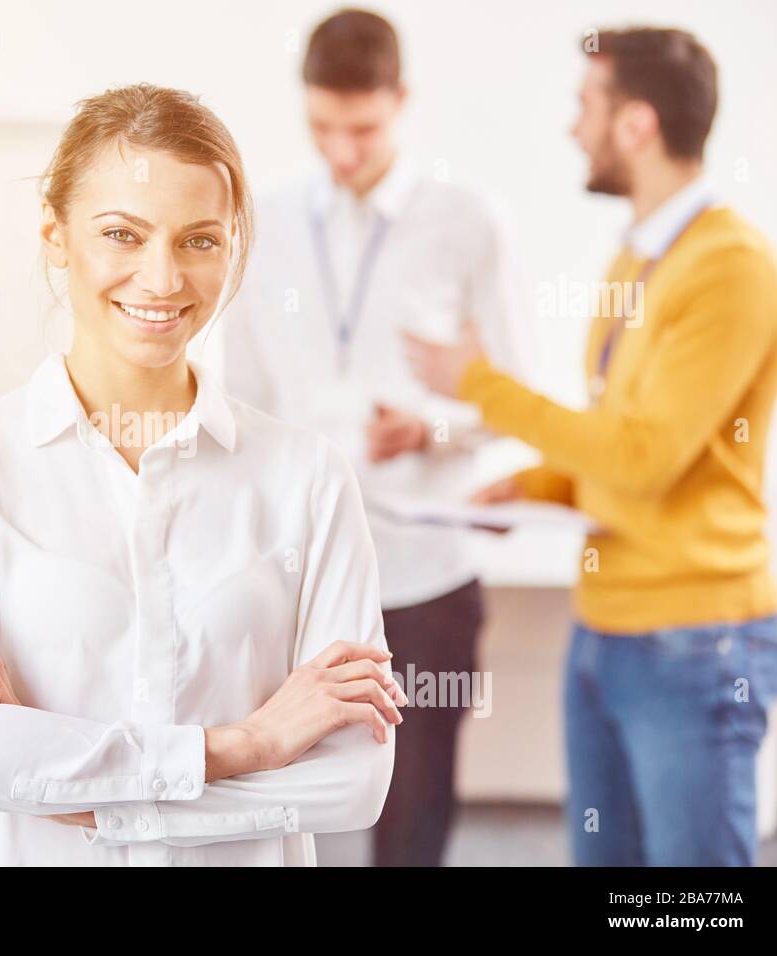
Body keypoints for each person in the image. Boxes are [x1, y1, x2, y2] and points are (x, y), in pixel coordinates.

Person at [0, 82, 405, 867]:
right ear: (56, 237)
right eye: (123, 235)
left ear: (233, 245)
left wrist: (68, 783)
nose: (162, 279)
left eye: (199, 240)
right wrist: (248, 743)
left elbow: (350, 784)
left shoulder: (307, 479)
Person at [405, 27, 777, 866]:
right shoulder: (638, 258)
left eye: (587, 105)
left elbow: (644, 454)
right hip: (606, 629)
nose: (571, 126)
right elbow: (621, 432)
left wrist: (478, 383)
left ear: (636, 125)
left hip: (694, 640)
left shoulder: (732, 271)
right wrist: (539, 487)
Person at [221, 8, 530, 866]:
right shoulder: (267, 222)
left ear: (403, 101)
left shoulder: (469, 222)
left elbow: (513, 401)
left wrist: (431, 427)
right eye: (323, 128)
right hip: (294, 572)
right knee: (275, 797)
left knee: (414, 809)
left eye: (363, 128)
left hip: (426, 573)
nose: (343, 152)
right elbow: (239, 401)